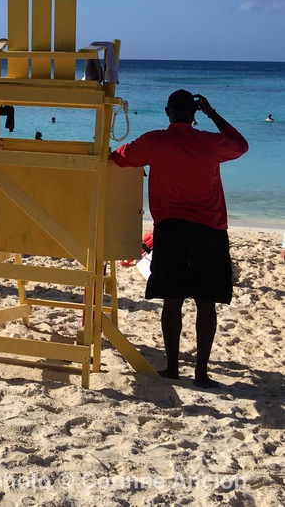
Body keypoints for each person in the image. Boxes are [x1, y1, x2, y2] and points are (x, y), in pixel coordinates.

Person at [110, 90, 248, 389]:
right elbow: (240, 145)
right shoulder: (209, 143)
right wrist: (213, 113)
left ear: (167, 111)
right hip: (210, 228)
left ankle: (172, 369)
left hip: (170, 228)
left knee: (172, 300)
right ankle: (200, 373)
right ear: (195, 114)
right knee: (206, 302)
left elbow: (119, 158)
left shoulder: (155, 140)